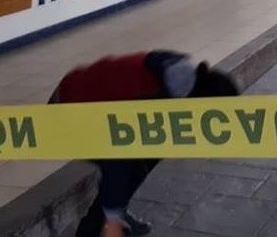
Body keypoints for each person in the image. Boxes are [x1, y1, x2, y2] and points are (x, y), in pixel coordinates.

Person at [48, 50, 239, 237]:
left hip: (90, 101)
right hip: (67, 110)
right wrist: (112, 219)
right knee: (125, 172)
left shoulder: (181, 78)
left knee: (139, 167)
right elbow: (116, 159)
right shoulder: (147, 99)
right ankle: (93, 229)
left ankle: (116, 215)